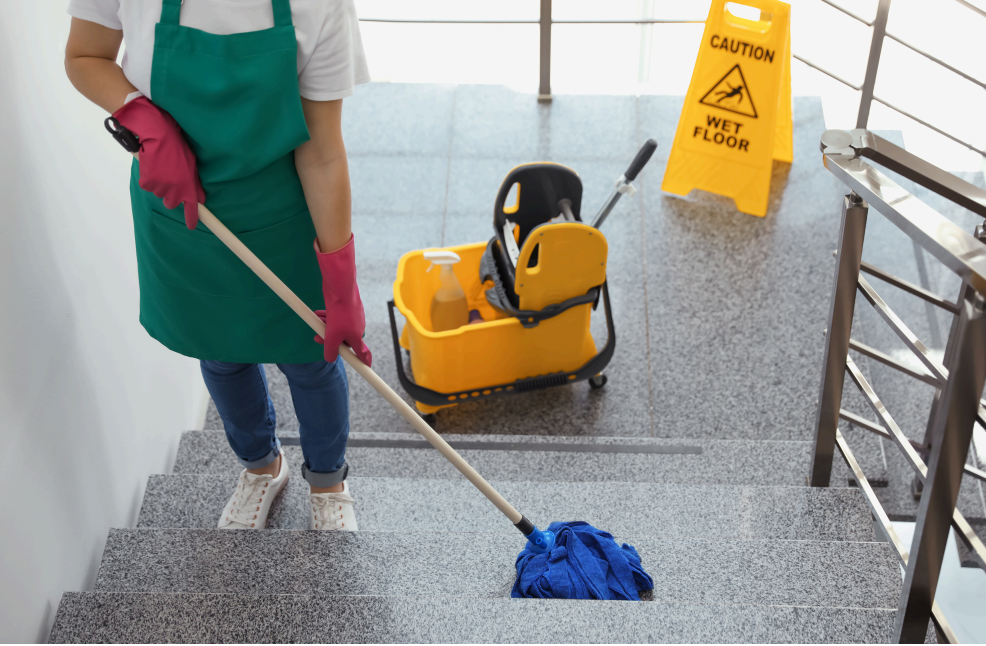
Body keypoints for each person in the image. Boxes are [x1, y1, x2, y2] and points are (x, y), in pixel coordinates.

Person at [64, 0, 372, 531]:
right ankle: (261, 467)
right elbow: (85, 55)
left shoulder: (321, 5)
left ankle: (328, 481)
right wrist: (139, 114)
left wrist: (341, 283)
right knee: (220, 351)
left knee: (309, 357)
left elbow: (322, 151)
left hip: (281, 213)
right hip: (182, 212)